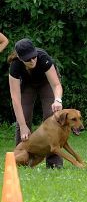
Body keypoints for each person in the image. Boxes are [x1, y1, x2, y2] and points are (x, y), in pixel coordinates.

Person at [8, 38, 64, 168]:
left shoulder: (43, 57)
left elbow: (56, 85)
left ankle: (54, 163)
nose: (32, 61)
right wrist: (22, 125)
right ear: (20, 58)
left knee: (51, 116)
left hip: (46, 83)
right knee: (24, 118)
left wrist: (57, 100)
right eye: (28, 59)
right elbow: (15, 99)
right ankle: (20, 160)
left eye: (33, 57)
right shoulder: (15, 66)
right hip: (28, 85)